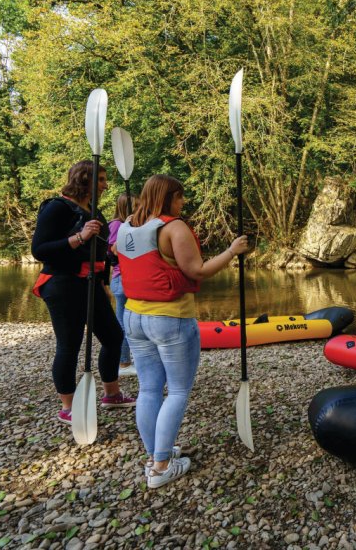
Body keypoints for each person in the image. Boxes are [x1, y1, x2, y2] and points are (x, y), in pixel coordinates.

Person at [116, 174, 248, 489]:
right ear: (167, 197)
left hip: (133, 316)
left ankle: (155, 455)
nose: (182, 202)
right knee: (176, 390)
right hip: (169, 317)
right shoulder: (174, 228)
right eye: (180, 196)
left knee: (149, 389)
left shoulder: (125, 227)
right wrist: (232, 251)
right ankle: (161, 467)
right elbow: (197, 270)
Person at [31, 160, 136, 425]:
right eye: (100, 179)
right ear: (83, 180)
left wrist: (103, 280)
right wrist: (79, 237)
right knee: (70, 344)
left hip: (90, 284)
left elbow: (100, 251)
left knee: (113, 336)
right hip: (62, 283)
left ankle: (111, 394)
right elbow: (40, 250)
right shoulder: (56, 207)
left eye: (104, 179)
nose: (105, 184)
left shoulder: (93, 210)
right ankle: (68, 406)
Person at [107, 194, 136, 378]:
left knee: (129, 322)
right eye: (137, 206)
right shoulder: (117, 225)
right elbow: (113, 250)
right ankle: (124, 363)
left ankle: (126, 361)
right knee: (123, 324)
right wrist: (128, 227)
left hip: (127, 279)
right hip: (121, 279)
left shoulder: (128, 225)